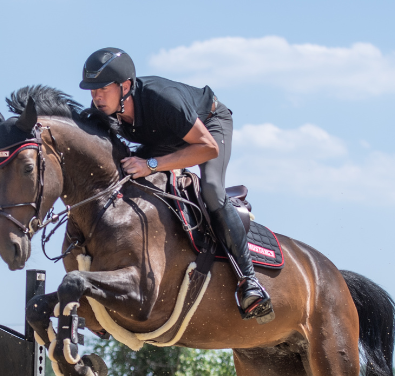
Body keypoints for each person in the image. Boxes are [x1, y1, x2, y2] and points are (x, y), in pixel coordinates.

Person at [79, 47, 273, 322]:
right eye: (92, 90)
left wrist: (151, 165)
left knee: (212, 190)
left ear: (124, 87)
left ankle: (249, 282)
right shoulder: (103, 110)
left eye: (102, 89)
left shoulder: (162, 100)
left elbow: (207, 148)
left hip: (208, 127)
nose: (96, 97)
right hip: (167, 137)